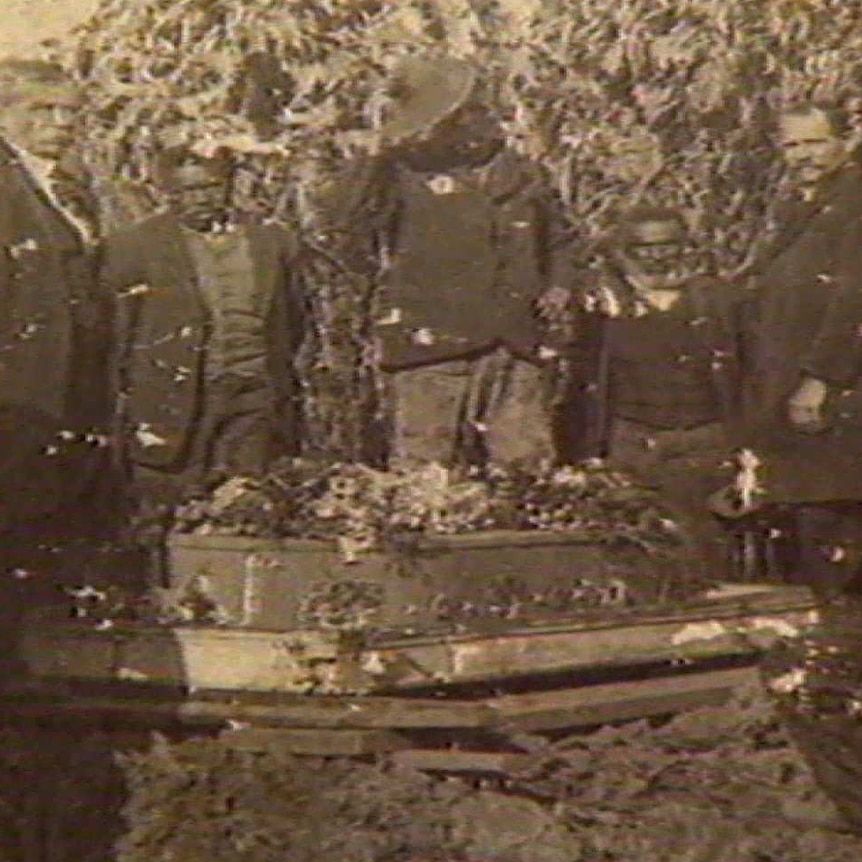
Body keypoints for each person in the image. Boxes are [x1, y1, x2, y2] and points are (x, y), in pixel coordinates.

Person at [321, 54, 573, 471]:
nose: (476, 123)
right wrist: (377, 153)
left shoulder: (525, 176)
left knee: (525, 469)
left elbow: (563, 241)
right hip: (432, 346)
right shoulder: (401, 174)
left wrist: (560, 284)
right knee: (426, 470)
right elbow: (341, 221)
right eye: (460, 115)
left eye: (480, 112)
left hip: (514, 343)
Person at [102, 144, 307, 582]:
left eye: (210, 187)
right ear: (165, 192)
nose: (197, 199)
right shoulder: (135, 245)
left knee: (245, 507)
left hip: (252, 397)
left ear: (231, 185)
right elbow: (115, 335)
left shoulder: (271, 240)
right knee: (161, 516)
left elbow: (292, 318)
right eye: (183, 191)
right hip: (171, 405)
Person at [567, 205, 744, 575]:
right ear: (624, 251)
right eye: (644, 247)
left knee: (706, 542)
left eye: (669, 244)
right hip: (633, 440)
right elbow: (580, 382)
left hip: (704, 440)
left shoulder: (717, 300)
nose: (658, 255)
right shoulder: (601, 308)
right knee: (635, 542)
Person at [740, 102, 862, 593]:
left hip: (834, 384)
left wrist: (820, 378)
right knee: (805, 508)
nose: (802, 155)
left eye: (815, 142)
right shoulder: (796, 204)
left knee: (831, 510)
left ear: (846, 141)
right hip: (790, 377)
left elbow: (854, 299)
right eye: (792, 145)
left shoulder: (854, 202)